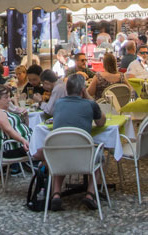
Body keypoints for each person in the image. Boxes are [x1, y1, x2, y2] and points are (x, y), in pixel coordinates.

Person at [48, 73, 106, 212]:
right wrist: (88, 96)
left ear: (67, 90)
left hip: (59, 154)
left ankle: (56, 194)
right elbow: (101, 122)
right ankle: (90, 194)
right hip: (84, 157)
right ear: (82, 90)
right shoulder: (90, 104)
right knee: (100, 156)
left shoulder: (58, 103)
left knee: (61, 155)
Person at [0, 85, 34, 169]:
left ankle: (44, 172)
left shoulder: (6, 111)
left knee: (48, 144)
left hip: (19, 144)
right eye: (6, 97)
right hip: (12, 148)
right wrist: (23, 140)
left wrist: (25, 116)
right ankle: (44, 173)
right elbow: (9, 130)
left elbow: (25, 126)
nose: (9, 99)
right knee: (48, 147)